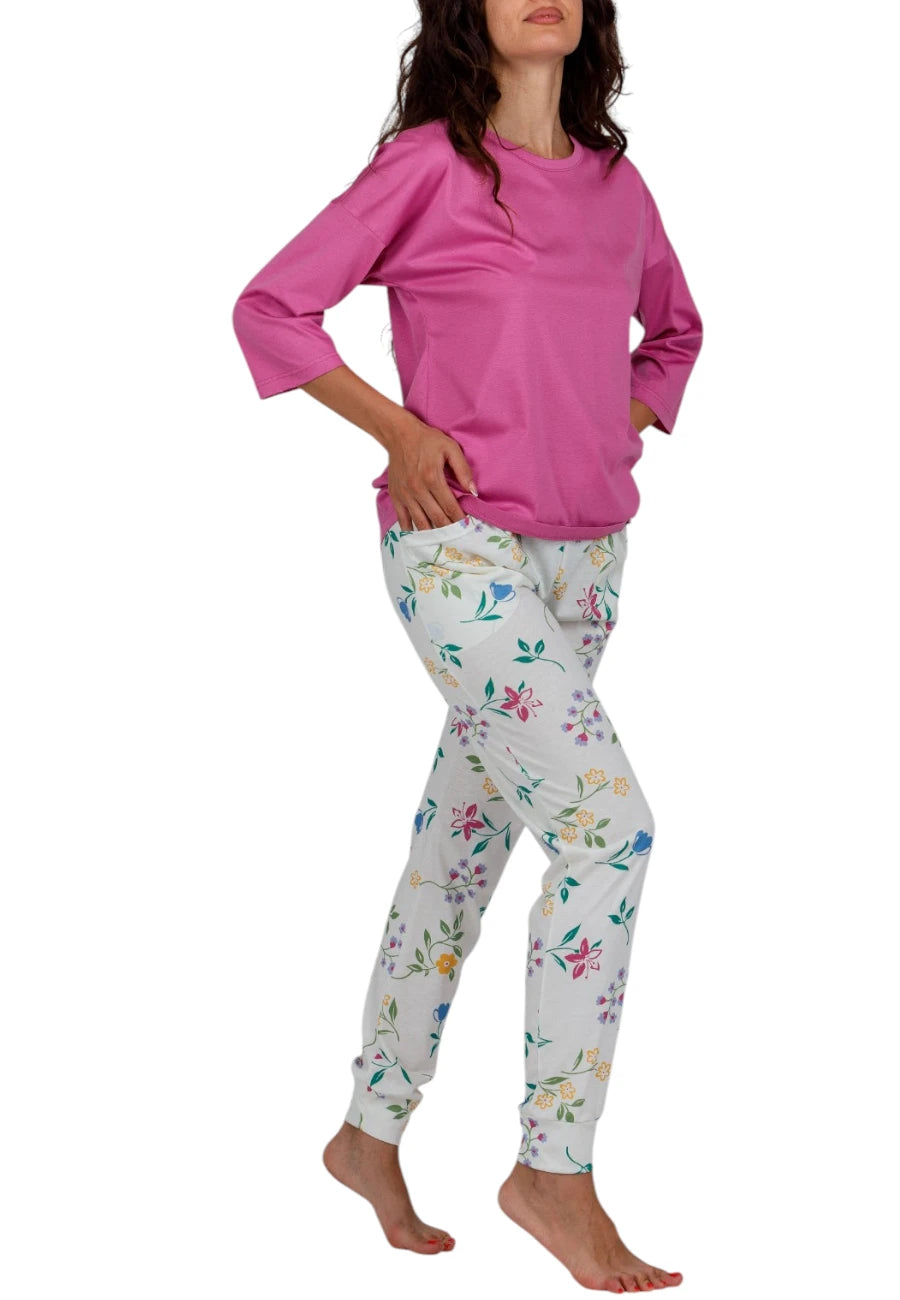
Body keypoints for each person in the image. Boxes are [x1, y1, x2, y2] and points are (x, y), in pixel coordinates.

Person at [232, 2, 702, 1291]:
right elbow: (272, 308)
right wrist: (398, 431)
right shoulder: (427, 166)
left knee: (464, 846)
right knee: (608, 829)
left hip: (587, 559)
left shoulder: (617, 188)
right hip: (457, 548)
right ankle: (554, 1169)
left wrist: (614, 418)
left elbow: (676, 332)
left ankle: (368, 1131)